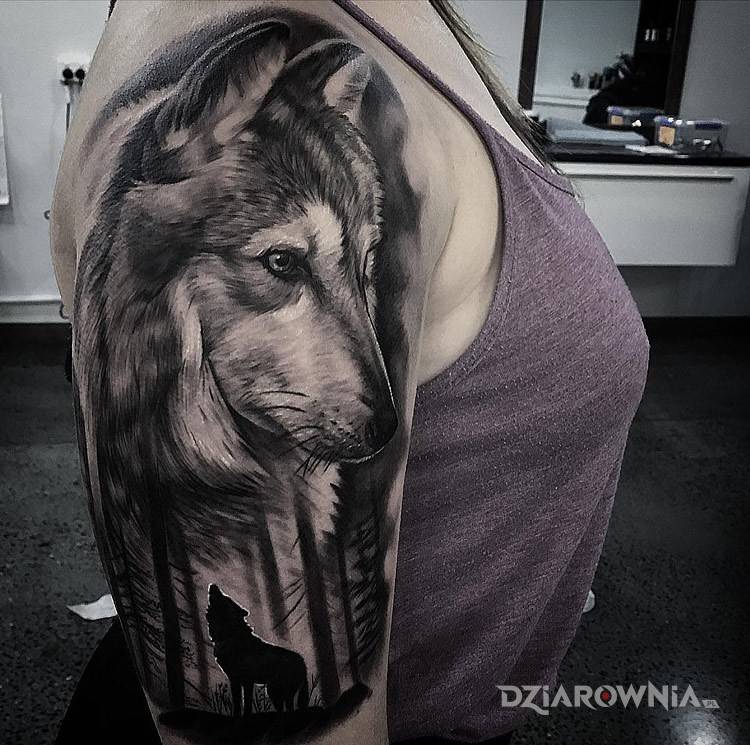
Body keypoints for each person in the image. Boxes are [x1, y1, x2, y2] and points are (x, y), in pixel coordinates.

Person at [50, 1, 649, 743]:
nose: (369, 395)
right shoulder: (213, 28)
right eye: (282, 262)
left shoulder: (390, 27)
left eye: (361, 267)